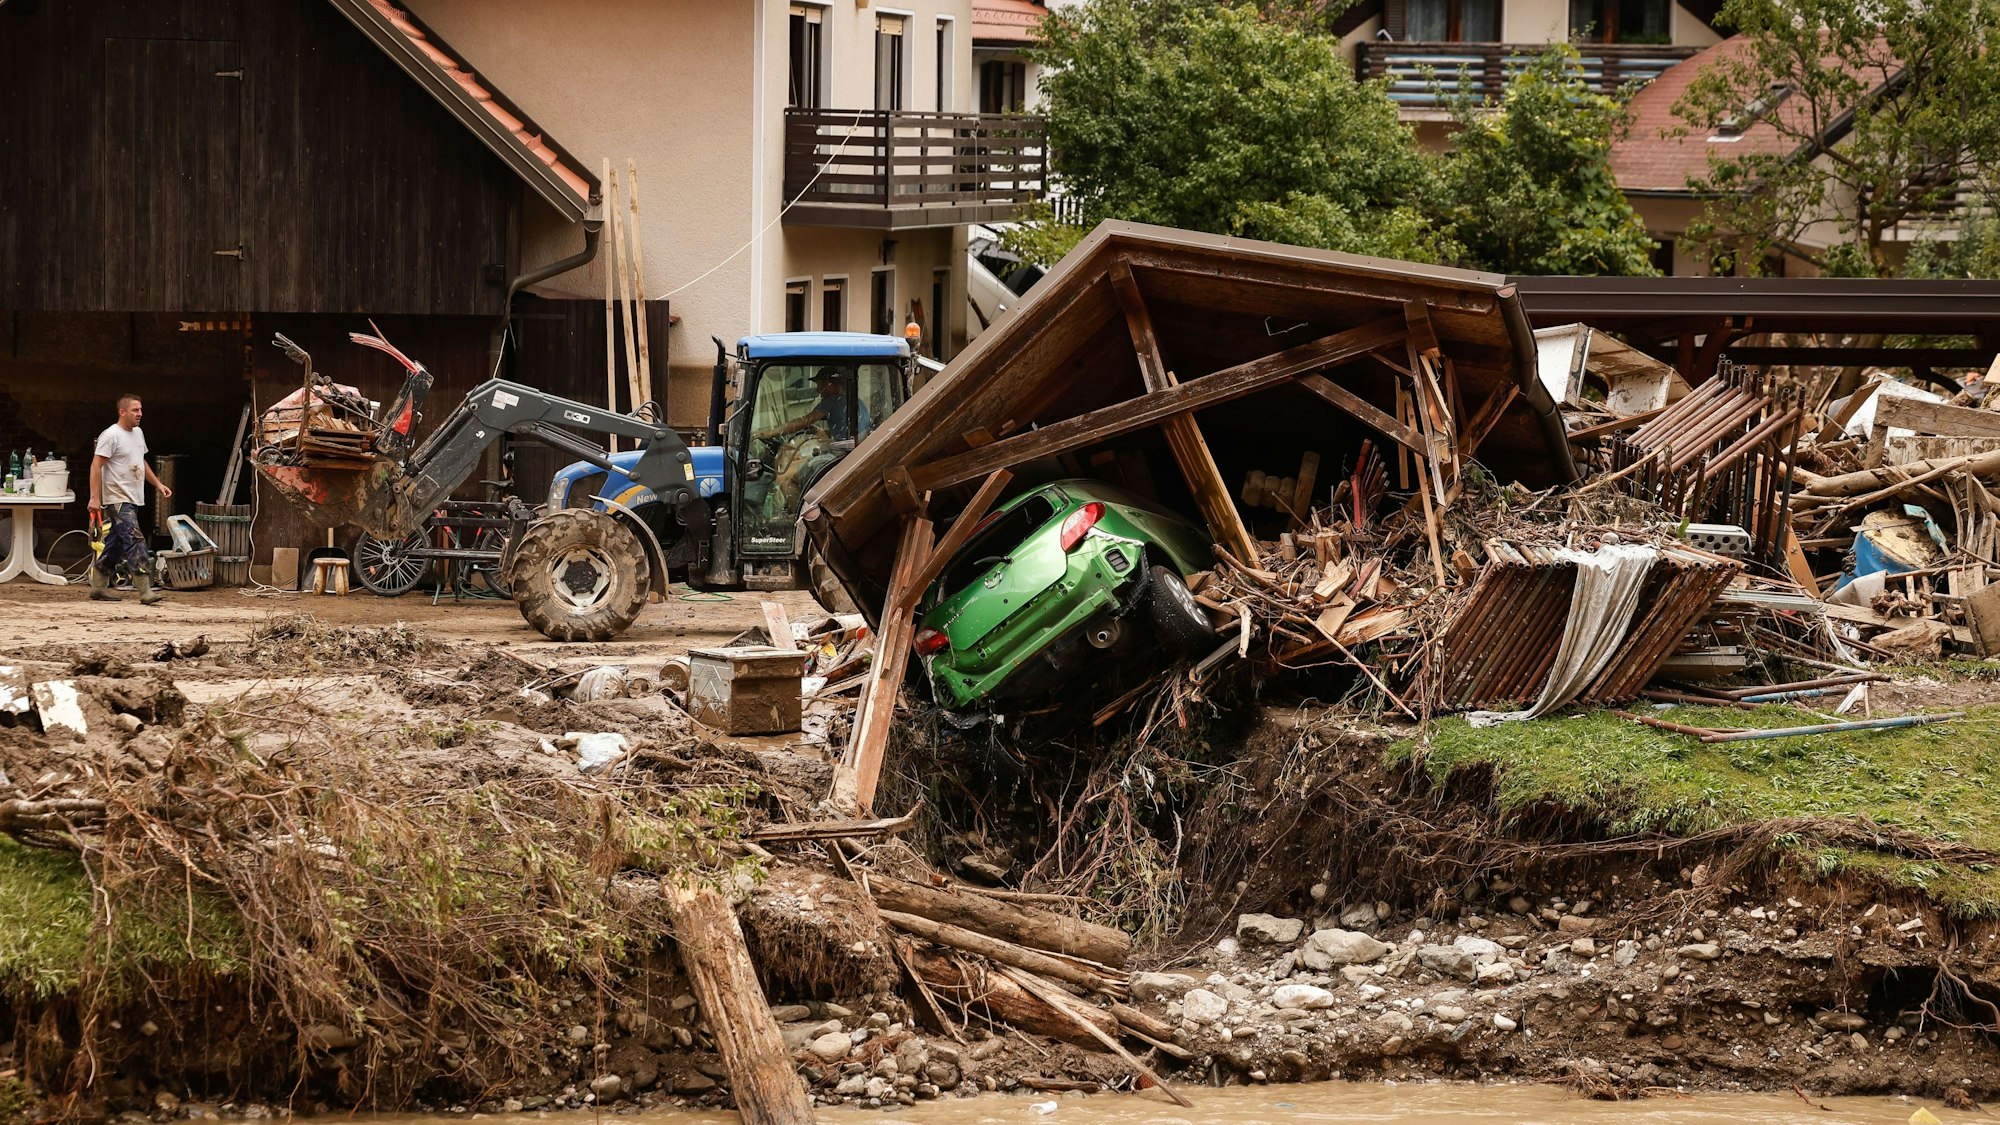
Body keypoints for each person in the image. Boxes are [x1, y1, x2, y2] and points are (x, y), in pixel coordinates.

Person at [88, 393, 172, 604]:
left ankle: (98, 587)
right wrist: (94, 498)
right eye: (135, 410)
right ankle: (145, 590)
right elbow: (96, 466)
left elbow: (140, 461)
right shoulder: (111, 435)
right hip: (117, 498)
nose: (140, 414)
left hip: (134, 497)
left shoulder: (138, 433)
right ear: (122, 412)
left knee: (115, 544)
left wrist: (158, 484)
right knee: (135, 540)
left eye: (141, 410)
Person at [755, 367, 872, 444]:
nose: (818, 390)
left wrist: (769, 433)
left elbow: (802, 422)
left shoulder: (832, 401)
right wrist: (819, 431)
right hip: (858, 448)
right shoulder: (852, 401)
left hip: (846, 452)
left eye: (819, 385)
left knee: (796, 471)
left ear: (829, 384)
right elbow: (845, 430)